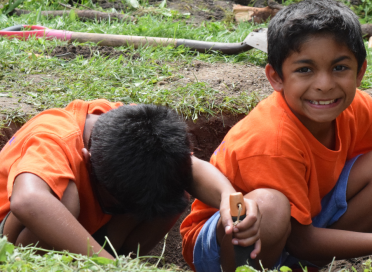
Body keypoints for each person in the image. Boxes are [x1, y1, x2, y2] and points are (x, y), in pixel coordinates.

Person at [181, 0, 372, 271]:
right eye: (305, 70)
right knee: (269, 207)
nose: (325, 85)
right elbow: (300, 241)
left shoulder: (355, 107)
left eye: (339, 68)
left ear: (360, 72)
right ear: (276, 77)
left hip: (303, 224)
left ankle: (301, 266)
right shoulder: (272, 140)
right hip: (231, 242)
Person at [0, 99, 239, 259]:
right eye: (112, 203)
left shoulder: (135, 129)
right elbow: (27, 200)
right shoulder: (54, 137)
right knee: (67, 198)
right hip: (12, 241)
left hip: (87, 238)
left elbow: (190, 167)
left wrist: (231, 201)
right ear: (87, 158)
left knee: (173, 190)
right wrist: (106, 265)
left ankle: (120, 260)